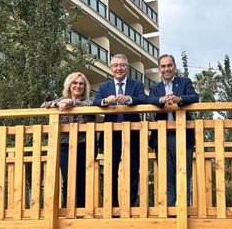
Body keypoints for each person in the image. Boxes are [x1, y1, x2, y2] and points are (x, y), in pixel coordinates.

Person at [93, 54, 147, 207]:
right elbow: (96, 101)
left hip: (132, 133)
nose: (119, 68)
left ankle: (130, 206)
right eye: (115, 65)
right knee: (110, 169)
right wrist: (105, 101)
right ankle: (113, 206)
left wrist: (130, 100)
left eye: (122, 65)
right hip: (111, 134)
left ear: (127, 68)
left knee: (132, 169)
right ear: (111, 69)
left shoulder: (136, 85)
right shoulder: (104, 87)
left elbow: (143, 100)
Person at [148, 54, 199, 207]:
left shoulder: (184, 82)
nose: (166, 69)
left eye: (169, 65)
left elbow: (194, 97)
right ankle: (170, 210)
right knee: (166, 175)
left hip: (182, 135)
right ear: (159, 69)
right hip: (162, 137)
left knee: (184, 174)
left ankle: (184, 210)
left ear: (174, 67)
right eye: (163, 66)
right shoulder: (155, 88)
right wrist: (161, 100)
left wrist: (179, 99)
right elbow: (149, 100)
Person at [42, 72, 95, 208]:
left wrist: (72, 103)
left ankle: (83, 210)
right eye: (75, 83)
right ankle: (69, 209)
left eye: (81, 83)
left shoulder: (90, 101)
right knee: (68, 178)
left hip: (85, 145)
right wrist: (59, 103)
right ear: (69, 85)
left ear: (85, 86)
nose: (78, 86)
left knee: (83, 178)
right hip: (65, 145)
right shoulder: (61, 100)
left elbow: (90, 105)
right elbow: (44, 105)